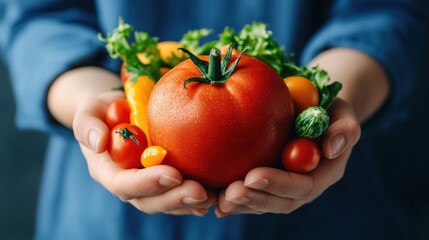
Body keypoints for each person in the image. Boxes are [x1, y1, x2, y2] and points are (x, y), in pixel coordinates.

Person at [1, 0, 428, 239]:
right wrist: (87, 99)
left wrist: (339, 93)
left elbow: (385, 12)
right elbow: (39, 15)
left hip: (332, 214)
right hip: (107, 217)